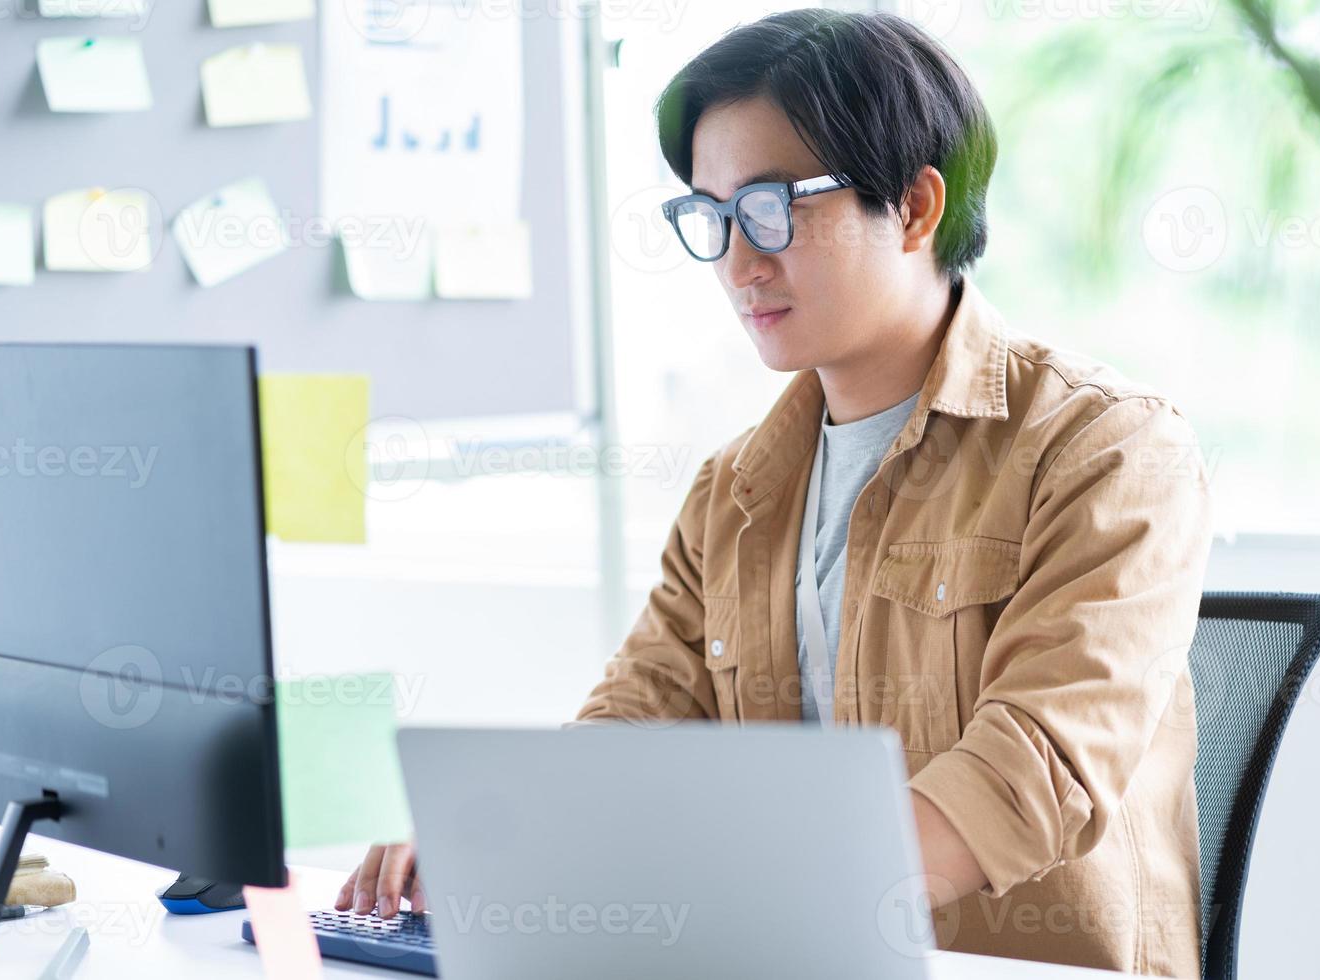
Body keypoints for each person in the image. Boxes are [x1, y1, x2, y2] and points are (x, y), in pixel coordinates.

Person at [338, 10, 1213, 977]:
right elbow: (637, 722)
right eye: (711, 218)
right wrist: (494, 839)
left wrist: (736, 899)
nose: (737, 262)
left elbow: (1032, 772)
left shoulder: (1108, 447)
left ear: (918, 207)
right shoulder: (736, 489)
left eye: (771, 208)